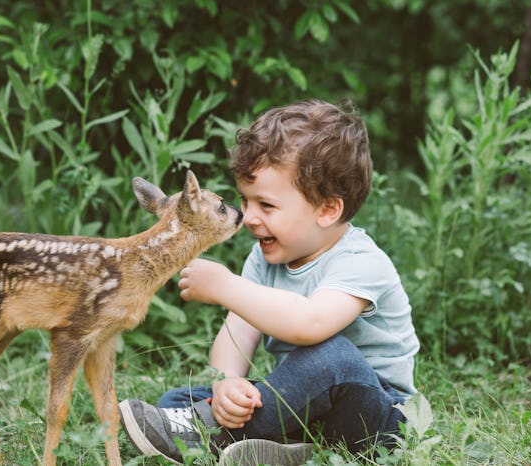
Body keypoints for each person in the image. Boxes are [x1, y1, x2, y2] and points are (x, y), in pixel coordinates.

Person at [119, 99, 420, 465]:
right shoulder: (263, 259)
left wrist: (227, 286)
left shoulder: (361, 261)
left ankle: (211, 433)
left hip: (379, 417)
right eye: (245, 201)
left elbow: (309, 324)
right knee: (177, 401)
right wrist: (226, 382)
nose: (247, 217)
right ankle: (288, 446)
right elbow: (236, 334)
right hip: (309, 407)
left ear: (327, 209)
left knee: (333, 357)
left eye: (267, 205)